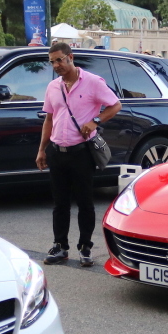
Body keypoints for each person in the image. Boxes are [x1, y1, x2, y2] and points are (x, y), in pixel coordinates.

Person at [36, 42, 122, 267]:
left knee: (85, 203)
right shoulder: (53, 87)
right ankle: (60, 246)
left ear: (70, 57)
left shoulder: (93, 82)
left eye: (59, 60)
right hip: (57, 151)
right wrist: (42, 150)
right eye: (52, 61)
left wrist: (96, 121)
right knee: (60, 204)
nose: (56, 65)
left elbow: (115, 105)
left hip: (81, 152)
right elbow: (49, 119)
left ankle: (85, 247)